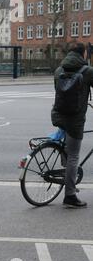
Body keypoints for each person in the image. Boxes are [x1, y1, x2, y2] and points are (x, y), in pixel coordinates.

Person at [52, 42, 93, 208]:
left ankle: (66, 170)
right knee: (74, 157)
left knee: (68, 151)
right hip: (75, 119)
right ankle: (69, 195)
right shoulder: (87, 71)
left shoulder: (58, 70)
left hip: (58, 115)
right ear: (83, 54)